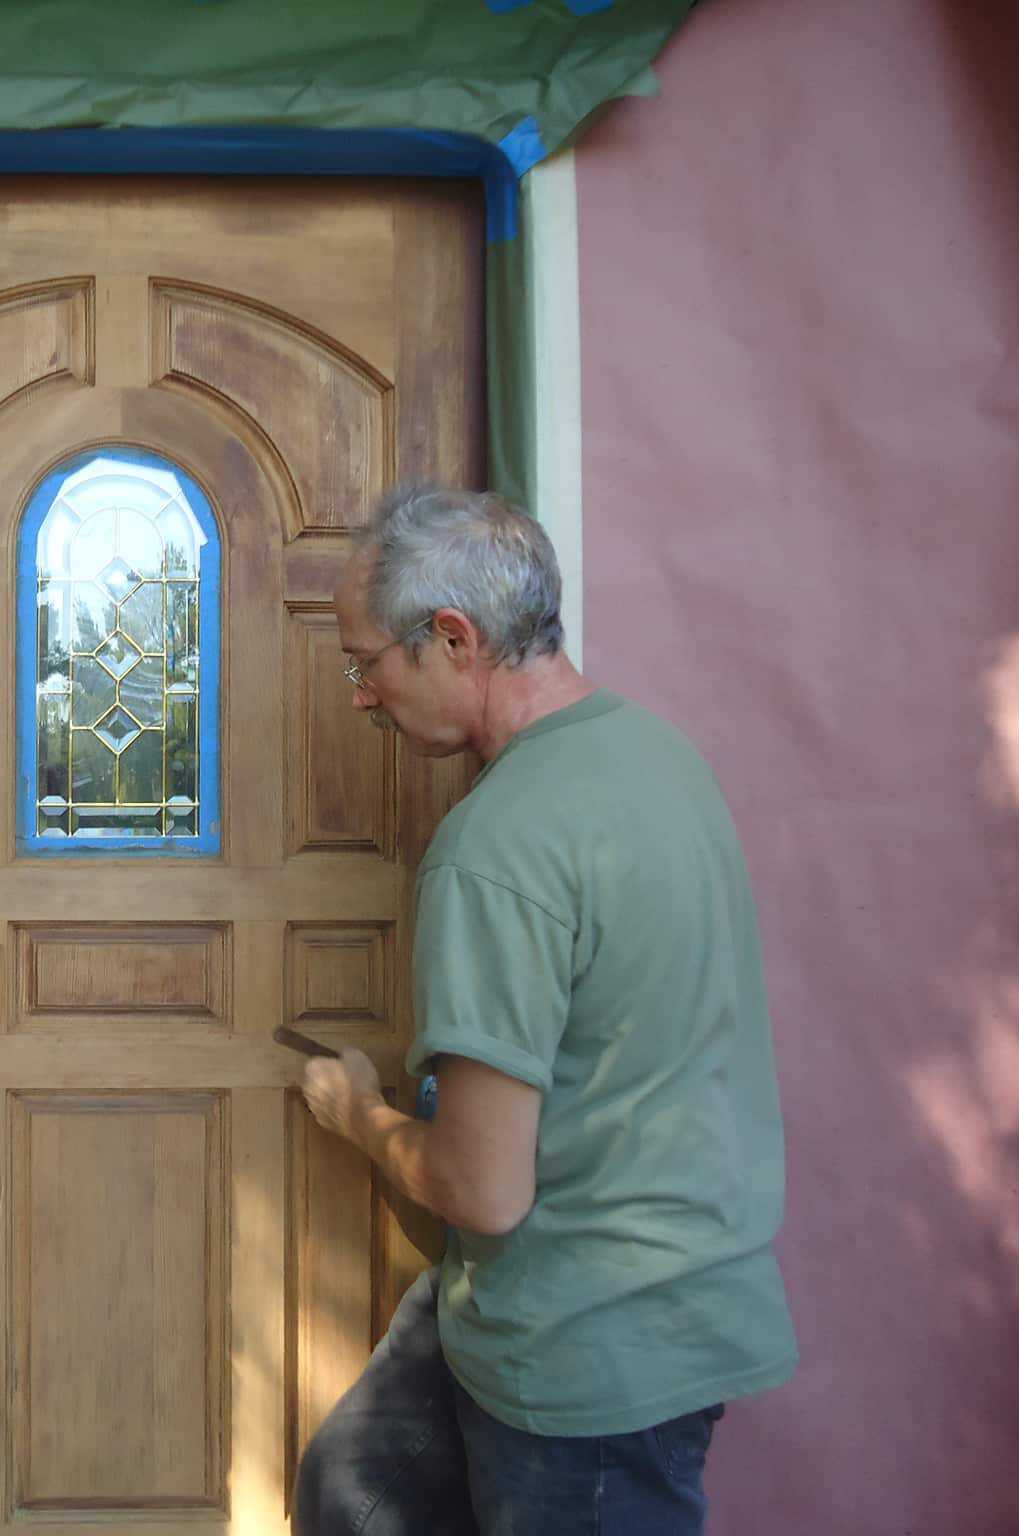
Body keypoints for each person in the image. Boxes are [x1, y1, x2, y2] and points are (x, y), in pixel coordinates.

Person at [294, 486, 797, 1535]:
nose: (357, 695)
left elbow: (480, 1190)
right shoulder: (660, 760)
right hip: (664, 1303)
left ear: (451, 637)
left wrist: (356, 1114)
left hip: (585, 1358)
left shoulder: (497, 843)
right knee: (350, 1483)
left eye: (365, 664)